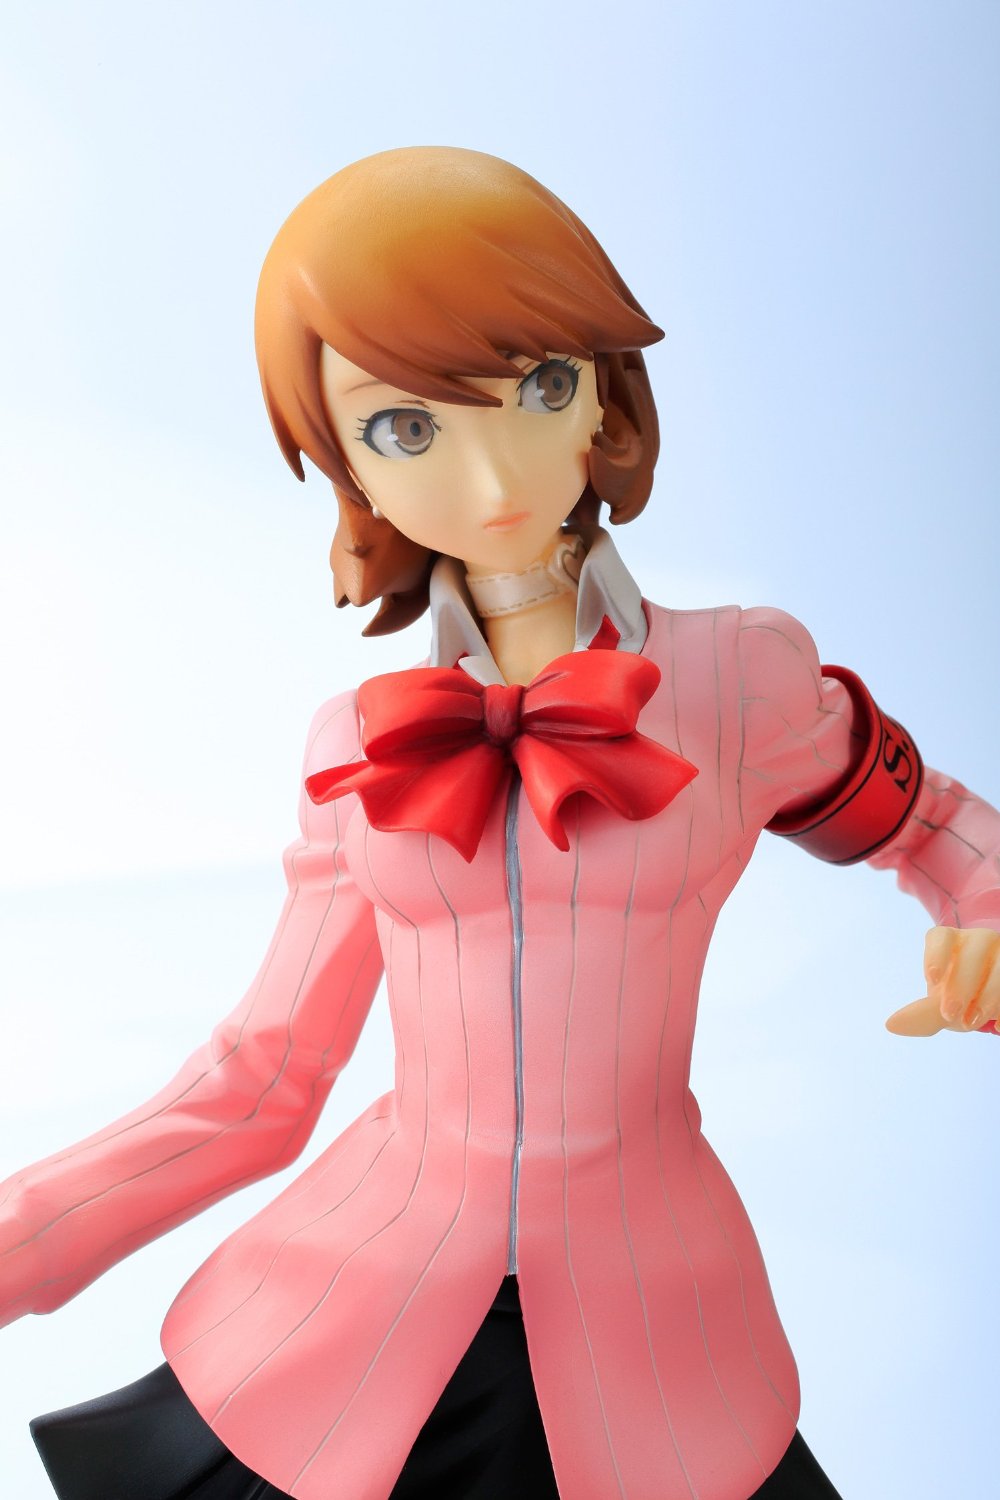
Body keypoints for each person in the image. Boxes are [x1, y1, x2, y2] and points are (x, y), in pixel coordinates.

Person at [4, 147, 999, 1500]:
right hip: (370, 1313)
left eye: (538, 388)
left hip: (655, 1318)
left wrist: (985, 916)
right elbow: (258, 1081)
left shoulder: (738, 679)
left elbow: (930, 822)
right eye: (407, 429)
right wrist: (20, 1241)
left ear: (604, 391)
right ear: (348, 470)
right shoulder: (357, 748)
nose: (491, 476)